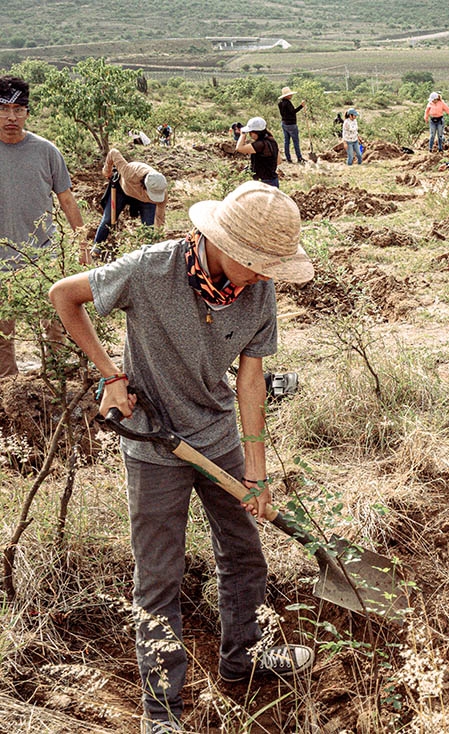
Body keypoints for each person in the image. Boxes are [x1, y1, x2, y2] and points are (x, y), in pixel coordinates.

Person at [48, 181, 317, 733]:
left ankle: (243, 660)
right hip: (155, 444)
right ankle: (162, 713)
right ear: (227, 246)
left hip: (216, 435)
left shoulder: (258, 291)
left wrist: (258, 472)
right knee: (159, 578)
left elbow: (249, 381)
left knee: (244, 555)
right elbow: (63, 296)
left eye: (271, 267)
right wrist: (111, 376)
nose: (265, 276)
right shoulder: (149, 270)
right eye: (258, 264)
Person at [0, 74, 85, 378]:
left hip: (43, 258)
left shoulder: (46, 151)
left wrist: (82, 245)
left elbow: (67, 200)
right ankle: (9, 392)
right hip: (1, 263)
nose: (12, 117)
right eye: (4, 109)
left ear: (27, 112)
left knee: (56, 325)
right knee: (2, 335)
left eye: (19, 109)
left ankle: (57, 378)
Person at [93, 149, 168, 257]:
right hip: (122, 190)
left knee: (149, 229)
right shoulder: (130, 173)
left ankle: (149, 255)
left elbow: (159, 218)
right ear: (145, 186)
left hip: (145, 201)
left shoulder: (161, 193)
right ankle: (97, 248)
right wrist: (107, 171)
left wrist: (159, 240)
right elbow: (113, 153)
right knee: (108, 219)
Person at [235, 117, 279, 188]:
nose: (249, 135)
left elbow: (239, 148)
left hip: (264, 182)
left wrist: (243, 134)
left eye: (250, 132)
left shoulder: (261, 145)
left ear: (255, 133)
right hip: (273, 180)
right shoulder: (272, 140)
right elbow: (279, 161)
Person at [276, 86, 306, 164]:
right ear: (286, 95)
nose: (291, 95)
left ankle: (288, 158)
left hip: (284, 123)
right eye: (290, 94)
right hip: (291, 124)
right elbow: (293, 112)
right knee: (295, 141)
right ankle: (299, 158)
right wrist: (301, 106)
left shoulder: (280, 103)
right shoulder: (288, 103)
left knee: (286, 141)